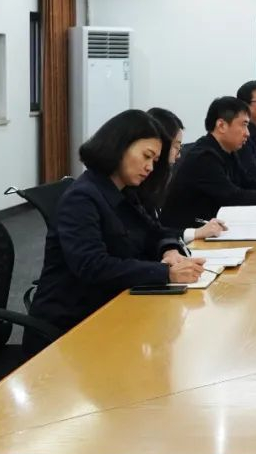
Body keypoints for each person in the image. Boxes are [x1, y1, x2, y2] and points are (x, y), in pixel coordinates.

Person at [26, 110, 206, 354]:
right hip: (72, 327)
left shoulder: (124, 191)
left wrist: (170, 250)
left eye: (154, 161)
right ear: (119, 146)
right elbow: (93, 266)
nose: (150, 167)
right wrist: (166, 273)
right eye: (146, 156)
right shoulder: (82, 198)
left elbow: (155, 231)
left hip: (112, 305)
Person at [161, 97, 256, 230]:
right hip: (184, 234)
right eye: (244, 125)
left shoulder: (228, 151)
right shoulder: (203, 157)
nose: (247, 133)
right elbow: (233, 197)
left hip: (212, 228)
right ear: (221, 125)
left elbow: (248, 182)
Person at [144, 107, 226, 242]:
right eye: (177, 147)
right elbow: (150, 235)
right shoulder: (139, 186)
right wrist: (196, 232)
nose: (179, 155)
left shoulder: (158, 181)